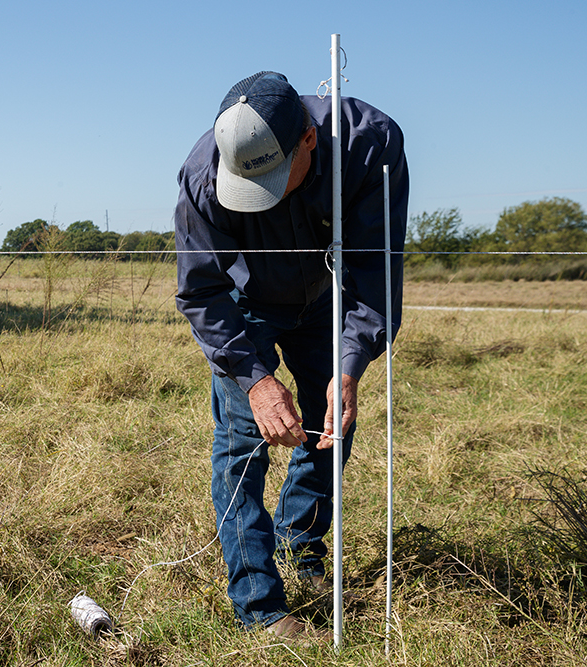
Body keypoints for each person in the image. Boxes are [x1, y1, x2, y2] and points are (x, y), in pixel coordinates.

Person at [174, 71, 408, 642]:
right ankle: (260, 605)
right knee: (241, 445)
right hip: (244, 303)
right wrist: (254, 378)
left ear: (308, 140)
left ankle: (300, 548)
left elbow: (377, 267)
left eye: (274, 179)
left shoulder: (370, 144)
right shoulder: (204, 176)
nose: (264, 198)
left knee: (333, 425)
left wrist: (350, 364)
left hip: (330, 299)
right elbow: (200, 289)